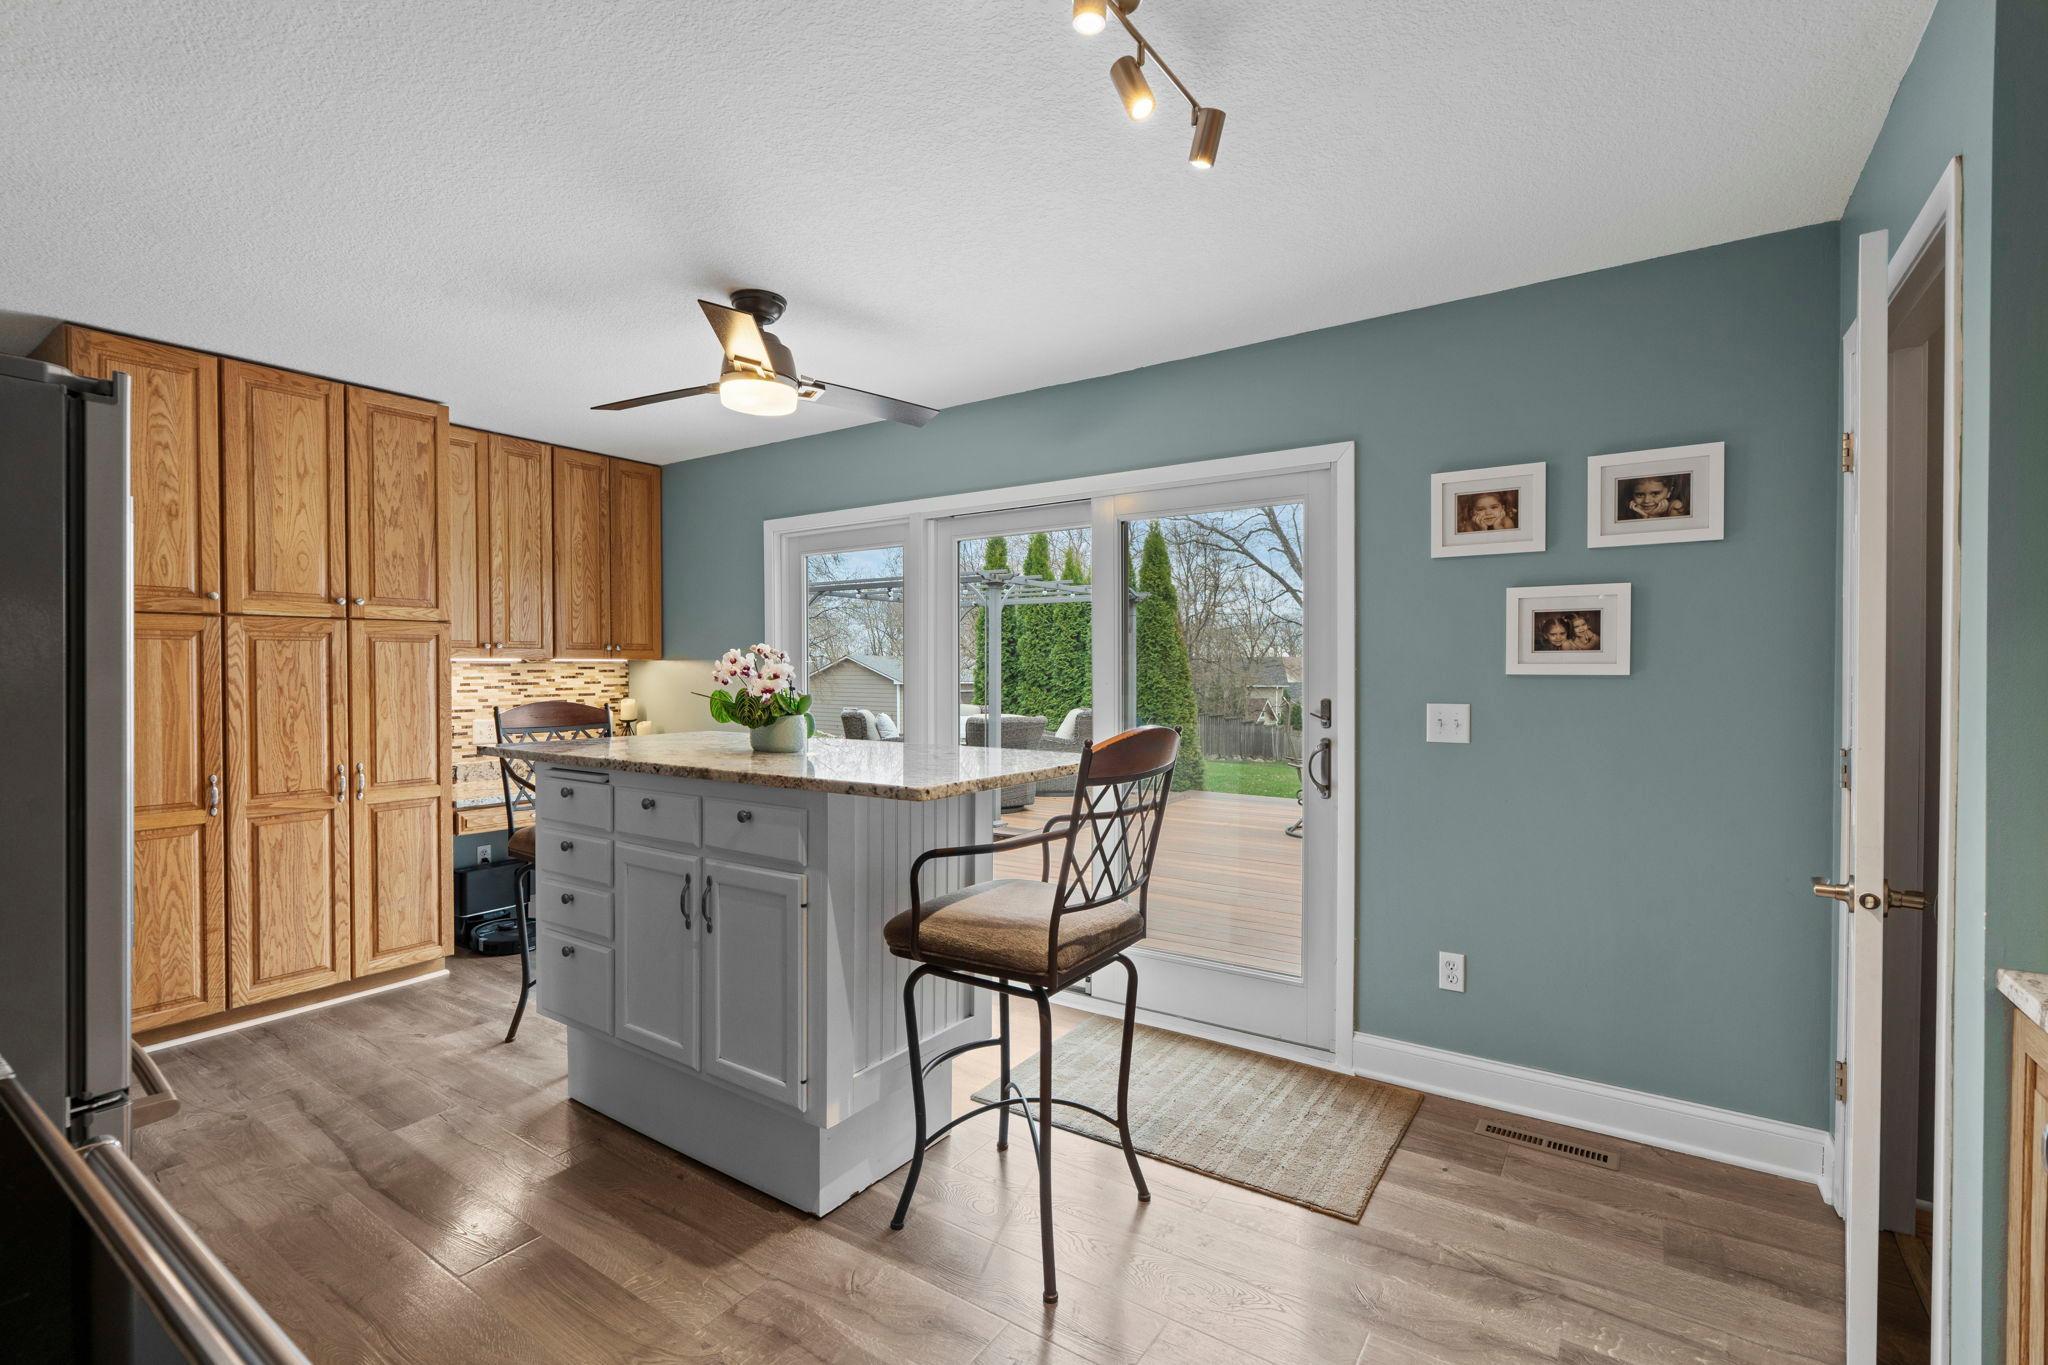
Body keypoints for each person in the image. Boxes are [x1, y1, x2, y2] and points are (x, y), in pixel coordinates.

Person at [1619, 475, 1686, 520]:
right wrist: (1644, 517)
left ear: (1669, 492)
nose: (1646, 501)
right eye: (1639, 495)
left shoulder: (1675, 507)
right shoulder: (1632, 510)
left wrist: (1654, 516)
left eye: (1655, 493)